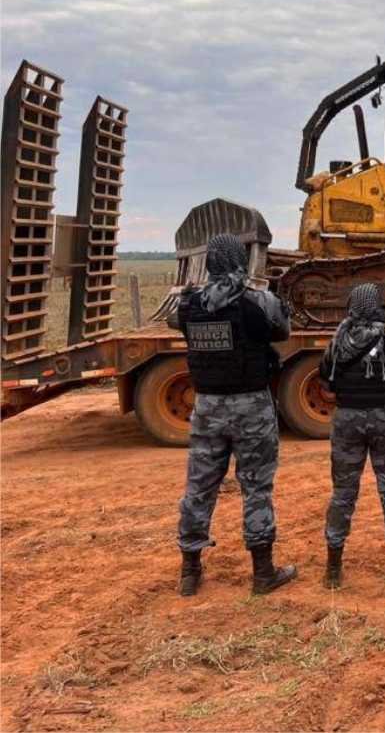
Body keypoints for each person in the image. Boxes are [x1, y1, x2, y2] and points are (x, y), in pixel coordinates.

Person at [171, 233, 297, 597]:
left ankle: (190, 573)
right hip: (251, 405)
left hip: (208, 406)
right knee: (256, 486)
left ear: (210, 263)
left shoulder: (189, 304)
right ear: (240, 261)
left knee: (199, 487)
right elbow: (282, 331)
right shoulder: (259, 301)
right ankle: (263, 573)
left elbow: (180, 325)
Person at [319, 283, 385, 588]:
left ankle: (333, 569)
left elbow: (326, 385)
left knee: (343, 494)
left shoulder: (337, 342)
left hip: (347, 419)